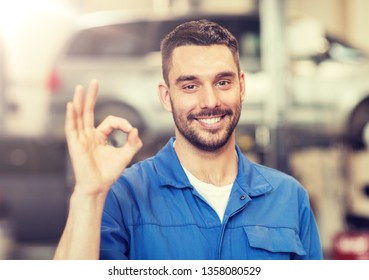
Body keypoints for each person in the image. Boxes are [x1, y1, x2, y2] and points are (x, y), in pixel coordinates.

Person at [53, 19, 323, 260]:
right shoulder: (122, 195)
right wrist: (88, 194)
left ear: (241, 86)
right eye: (190, 86)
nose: (210, 102)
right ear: (166, 96)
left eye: (222, 82)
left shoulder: (288, 197)